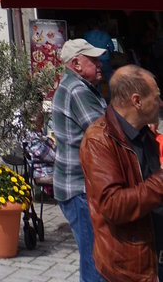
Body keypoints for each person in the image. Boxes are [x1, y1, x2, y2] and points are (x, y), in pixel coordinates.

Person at [80, 65, 163, 282]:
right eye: (156, 97)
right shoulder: (99, 140)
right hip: (128, 268)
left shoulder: (144, 132)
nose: (160, 104)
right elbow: (113, 206)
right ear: (137, 101)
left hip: (153, 255)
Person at [51, 38, 108, 282]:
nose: (99, 64)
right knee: (95, 261)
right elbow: (104, 133)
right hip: (80, 189)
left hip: (78, 186)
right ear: (76, 63)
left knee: (96, 257)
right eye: (93, 60)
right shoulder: (77, 90)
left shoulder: (80, 87)